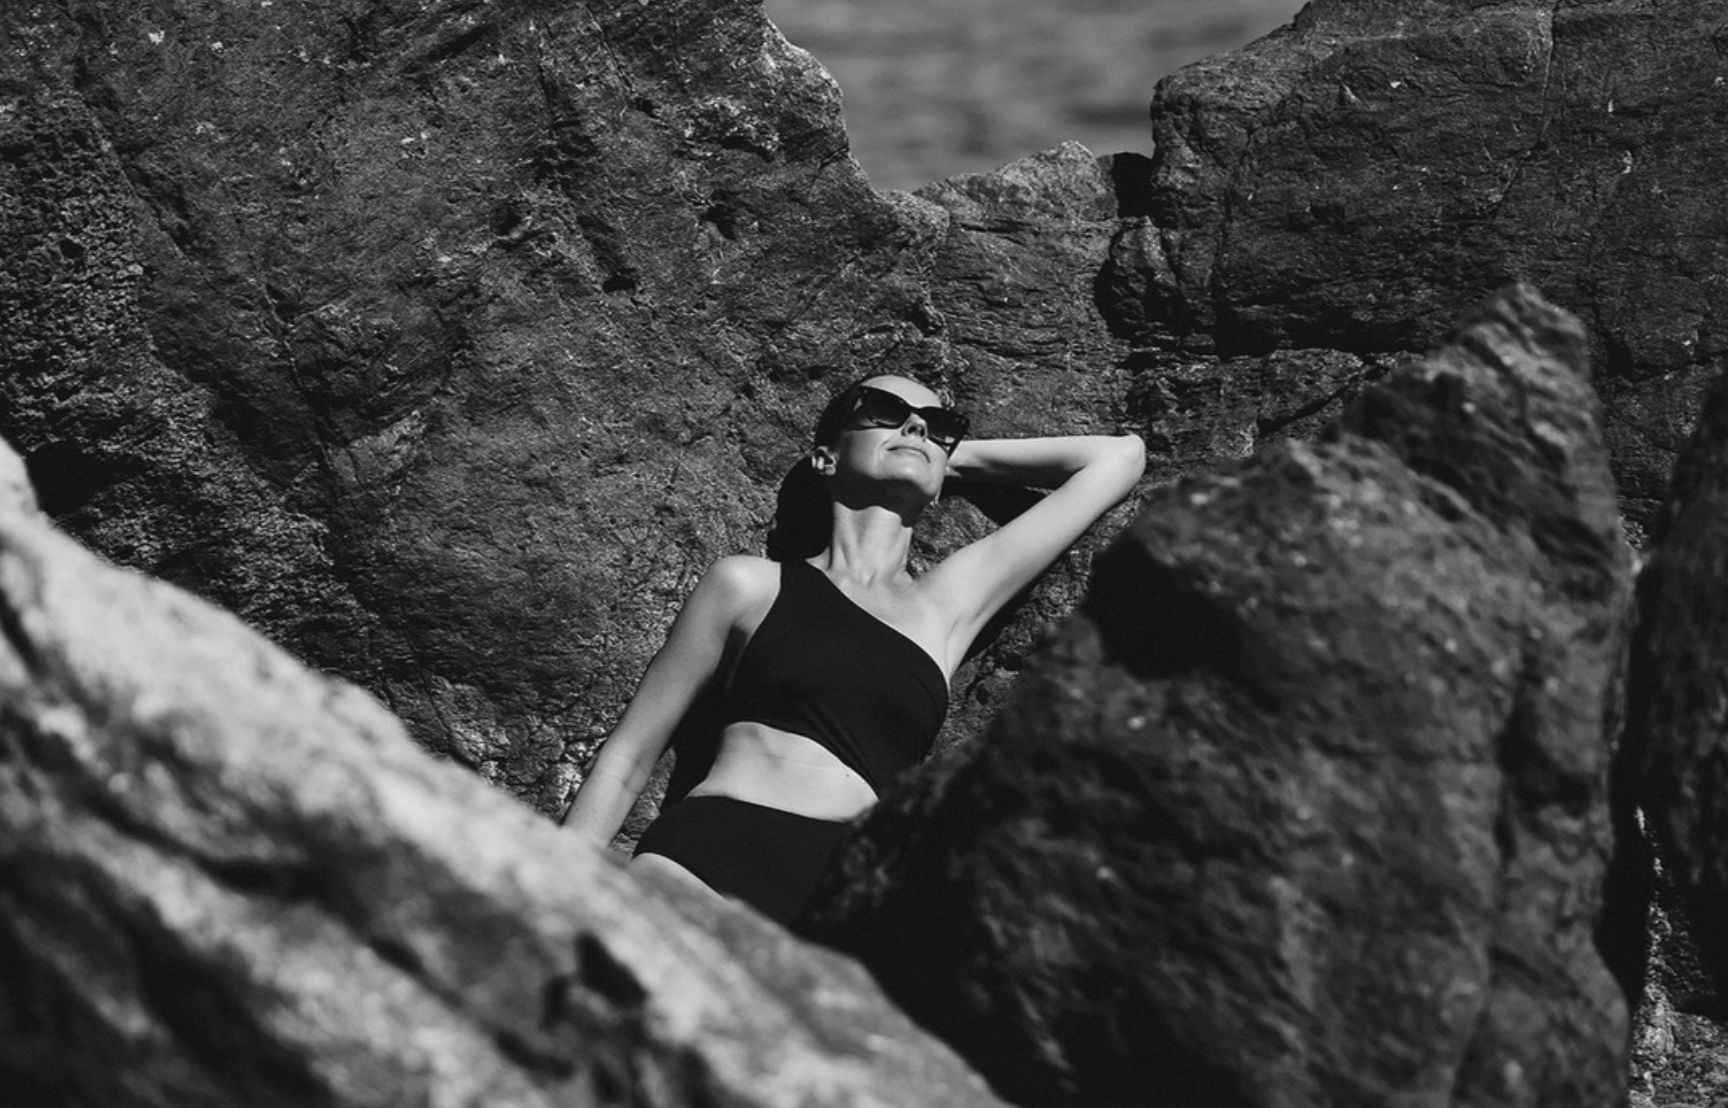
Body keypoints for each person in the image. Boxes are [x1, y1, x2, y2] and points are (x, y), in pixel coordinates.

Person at [562, 373, 1145, 925]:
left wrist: (938, 455)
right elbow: (631, 755)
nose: (917, 425)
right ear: (825, 457)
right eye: (886, 411)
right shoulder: (748, 585)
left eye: (937, 423)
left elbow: (1118, 458)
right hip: (706, 857)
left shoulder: (943, 607)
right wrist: (553, 887)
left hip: (839, 896)